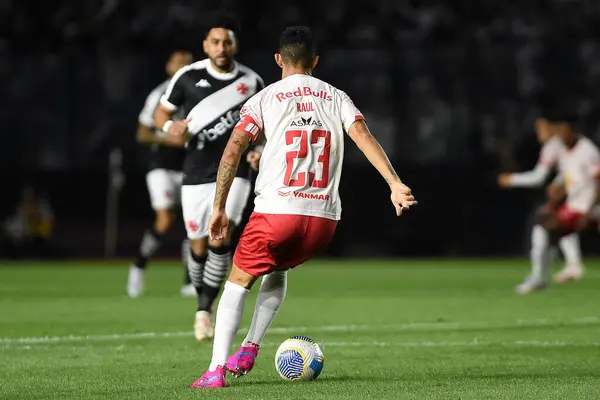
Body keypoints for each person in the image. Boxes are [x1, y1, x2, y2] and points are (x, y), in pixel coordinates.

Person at [189, 26, 417, 389]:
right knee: (276, 269)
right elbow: (363, 136)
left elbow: (232, 150)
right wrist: (394, 183)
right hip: (323, 221)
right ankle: (249, 346)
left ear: (279, 59)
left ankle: (215, 370)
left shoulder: (265, 98)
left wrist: (219, 206)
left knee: (236, 283)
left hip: (277, 212)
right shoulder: (337, 97)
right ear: (315, 61)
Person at [155, 13, 264, 340]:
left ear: (235, 44)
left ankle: (204, 310)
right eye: (215, 41)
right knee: (198, 244)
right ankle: (203, 301)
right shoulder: (188, 77)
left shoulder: (252, 81)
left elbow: (262, 127)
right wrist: (168, 126)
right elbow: (162, 113)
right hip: (196, 172)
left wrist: (258, 149)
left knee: (222, 233)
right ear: (205, 45)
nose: (221, 47)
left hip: (236, 172)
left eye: (227, 41)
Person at [127, 50, 193, 298]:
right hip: (162, 166)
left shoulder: (197, 93)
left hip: (189, 165)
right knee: (164, 220)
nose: (183, 66)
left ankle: (189, 281)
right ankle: (138, 266)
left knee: (193, 224)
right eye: (178, 62)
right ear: (168, 67)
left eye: (187, 63)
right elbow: (142, 134)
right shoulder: (160, 94)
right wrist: (169, 139)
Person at [515, 110, 600, 294]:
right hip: (575, 206)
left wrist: (589, 210)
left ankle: (552, 272)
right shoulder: (560, 149)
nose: (560, 134)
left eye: (563, 130)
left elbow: (598, 180)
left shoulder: (589, 151)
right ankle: (560, 269)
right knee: (546, 225)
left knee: (548, 226)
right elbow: (568, 178)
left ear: (572, 130)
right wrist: (556, 191)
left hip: (587, 207)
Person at [498, 117, 584, 284]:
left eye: (542, 128)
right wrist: (559, 182)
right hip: (580, 192)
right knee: (552, 223)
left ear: (554, 126)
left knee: (548, 223)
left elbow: (539, 177)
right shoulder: (568, 144)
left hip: (586, 193)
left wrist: (511, 180)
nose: (539, 133)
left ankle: (544, 275)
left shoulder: (554, 146)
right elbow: (571, 169)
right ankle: (566, 265)